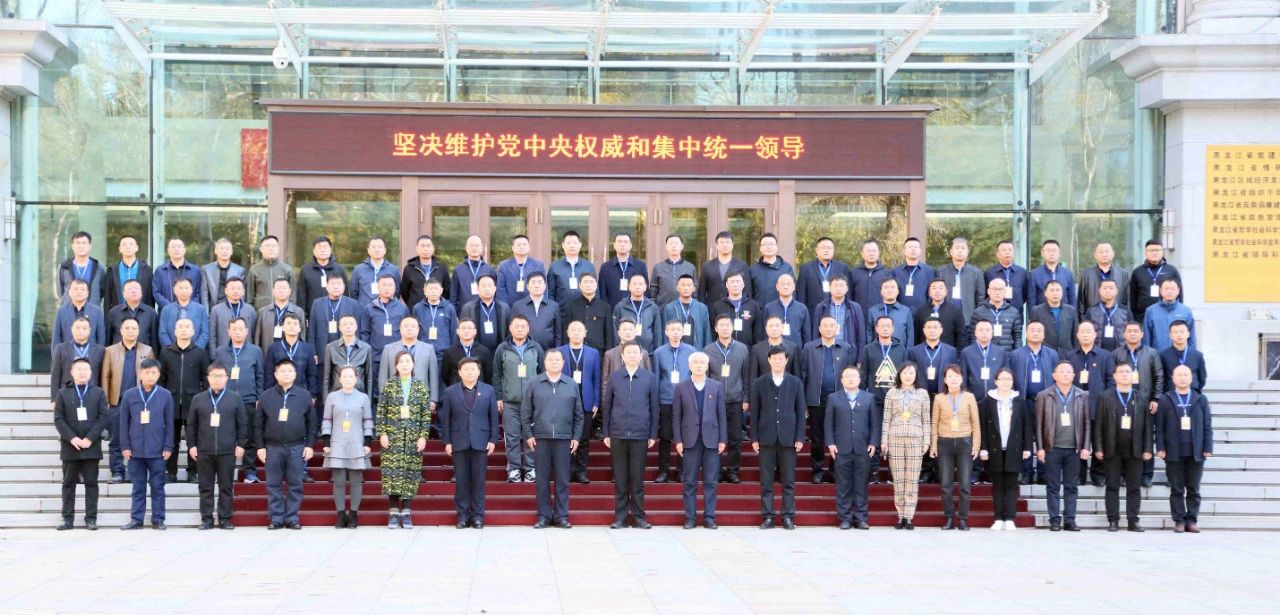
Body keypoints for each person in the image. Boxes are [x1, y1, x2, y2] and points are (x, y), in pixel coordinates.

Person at [521, 349, 585, 529]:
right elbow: (525, 412)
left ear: (563, 363)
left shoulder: (571, 384)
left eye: (558, 360)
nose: (554, 362)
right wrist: (529, 435)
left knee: (562, 480)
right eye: (551, 359)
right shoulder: (534, 383)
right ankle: (543, 516)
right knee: (542, 480)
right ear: (545, 362)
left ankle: (561, 516)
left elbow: (579, 415)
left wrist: (576, 437)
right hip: (541, 438)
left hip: (564, 439)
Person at [602, 341, 659, 529]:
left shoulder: (649, 377)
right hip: (618, 434)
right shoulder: (615, 377)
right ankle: (620, 518)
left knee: (637, 479)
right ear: (622, 356)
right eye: (629, 352)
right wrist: (606, 432)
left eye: (636, 352)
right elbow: (607, 406)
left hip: (640, 434)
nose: (632, 355)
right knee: (620, 479)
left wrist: (652, 434)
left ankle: (639, 517)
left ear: (641, 356)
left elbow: (654, 407)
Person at [439, 357, 500, 529]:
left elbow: (493, 417)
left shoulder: (488, 390)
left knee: (479, 482)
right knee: (461, 482)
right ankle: (462, 516)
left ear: (479, 372)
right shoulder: (450, 392)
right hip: (458, 442)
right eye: (466, 369)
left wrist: (493, 439)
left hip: (481, 441)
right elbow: (445, 418)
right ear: (459, 372)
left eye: (473, 369)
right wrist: (447, 441)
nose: (470, 372)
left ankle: (478, 516)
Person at [750, 347, 807, 529]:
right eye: (774, 358)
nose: (777, 361)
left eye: (781, 358)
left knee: (788, 480)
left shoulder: (795, 383)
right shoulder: (759, 383)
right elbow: (754, 413)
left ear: (786, 360)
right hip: (766, 438)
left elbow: (800, 412)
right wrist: (754, 438)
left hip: (788, 438)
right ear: (769, 360)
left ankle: (788, 516)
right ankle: (768, 516)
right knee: (766, 481)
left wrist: (800, 437)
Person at [255, 360, 316, 530]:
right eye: (283, 371)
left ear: (295, 374)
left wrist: (310, 445)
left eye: (290, 371)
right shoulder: (266, 396)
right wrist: (260, 447)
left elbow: (312, 423)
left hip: (297, 447)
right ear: (276, 374)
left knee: (295, 484)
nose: (286, 374)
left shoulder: (304, 396)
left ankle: (291, 517)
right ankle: (276, 517)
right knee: (273, 485)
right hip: (272, 447)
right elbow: (258, 425)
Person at [186, 363, 248, 530]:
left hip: (227, 450)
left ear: (227, 378)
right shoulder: (198, 399)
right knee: (205, 487)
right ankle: (206, 519)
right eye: (214, 376)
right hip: (204, 450)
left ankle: (225, 519)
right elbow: (191, 425)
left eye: (221, 376)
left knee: (226, 487)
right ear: (208, 378)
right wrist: (191, 445)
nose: (217, 379)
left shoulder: (235, 398)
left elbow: (242, 423)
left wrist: (241, 444)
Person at [1094, 362, 1152, 532]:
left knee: (1134, 487)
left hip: (1135, 449)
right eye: (1121, 372)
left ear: (1133, 375)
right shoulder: (1105, 397)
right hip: (1112, 449)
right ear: (1115, 376)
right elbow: (1098, 424)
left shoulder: (1141, 397)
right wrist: (1098, 447)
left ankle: (1133, 520)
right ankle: (1113, 520)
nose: (1125, 374)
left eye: (1128, 371)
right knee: (1112, 486)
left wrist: (1148, 448)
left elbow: (1148, 426)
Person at [1155, 365, 1213, 533]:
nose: (1182, 378)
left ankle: (1191, 520)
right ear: (1173, 378)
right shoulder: (1166, 399)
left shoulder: (1200, 399)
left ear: (1191, 378)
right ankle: (1179, 520)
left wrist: (1208, 446)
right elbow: (1159, 427)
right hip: (1173, 450)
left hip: (1196, 451)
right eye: (1179, 375)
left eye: (1185, 375)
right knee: (1177, 488)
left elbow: (1207, 425)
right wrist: (1160, 447)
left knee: (1194, 488)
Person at [1107, 321, 1165, 487]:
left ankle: (1146, 474)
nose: (1132, 334)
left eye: (1135, 331)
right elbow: (1111, 377)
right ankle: (1123, 473)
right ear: (1124, 334)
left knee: (1146, 436)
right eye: (1129, 331)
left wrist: (1156, 398)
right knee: (1123, 436)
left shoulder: (1152, 353)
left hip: (1145, 402)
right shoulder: (1117, 353)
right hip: (1122, 401)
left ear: (1142, 334)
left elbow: (1159, 377)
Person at [1035, 360, 1091, 532]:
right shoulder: (1044, 395)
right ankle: (1054, 519)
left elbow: (1087, 423)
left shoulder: (1082, 395)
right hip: (1052, 448)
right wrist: (1040, 447)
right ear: (1054, 375)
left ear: (1074, 375)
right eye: (1062, 371)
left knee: (1071, 486)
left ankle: (1070, 520)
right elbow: (1038, 424)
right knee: (1052, 486)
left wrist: (1085, 446)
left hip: (1074, 449)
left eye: (1069, 371)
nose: (1066, 374)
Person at [53, 359, 109, 530]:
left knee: (91, 483)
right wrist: (73, 438)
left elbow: (103, 417)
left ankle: (91, 518)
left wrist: (89, 439)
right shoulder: (63, 393)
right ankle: (67, 519)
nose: (83, 372)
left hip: (91, 446)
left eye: (86, 369)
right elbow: (58, 419)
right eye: (79, 369)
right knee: (68, 484)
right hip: (70, 446)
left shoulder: (98, 393)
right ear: (72, 372)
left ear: (91, 372)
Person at [118, 359, 173, 530]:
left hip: (157, 451)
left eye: (154, 372)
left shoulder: (165, 395)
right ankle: (136, 519)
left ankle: (158, 519)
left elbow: (169, 423)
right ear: (140, 373)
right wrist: (125, 446)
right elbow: (123, 422)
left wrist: (168, 446)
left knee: (158, 487)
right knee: (138, 487)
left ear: (158, 374)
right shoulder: (129, 395)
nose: (150, 376)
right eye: (147, 372)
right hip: (135, 450)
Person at [377, 351, 430, 529]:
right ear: (396, 365)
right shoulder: (389, 385)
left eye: (408, 361)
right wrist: (382, 433)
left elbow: (425, 414)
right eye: (401, 361)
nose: (405, 364)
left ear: (413, 364)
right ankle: (393, 513)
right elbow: (381, 411)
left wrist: (423, 436)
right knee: (391, 474)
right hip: (392, 437)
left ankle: (406, 512)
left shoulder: (420, 386)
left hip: (413, 437)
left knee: (410, 473)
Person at [673, 351, 726, 529]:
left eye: (702, 362)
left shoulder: (716, 386)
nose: (699, 365)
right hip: (689, 440)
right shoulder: (681, 387)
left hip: (712, 440)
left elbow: (722, 415)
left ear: (707, 366)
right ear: (689, 366)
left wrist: (723, 439)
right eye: (695, 362)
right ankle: (690, 518)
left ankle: (709, 518)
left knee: (711, 481)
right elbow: (676, 417)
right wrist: (678, 440)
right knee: (689, 482)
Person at [800, 316, 856, 484]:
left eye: (832, 325)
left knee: (839, 436)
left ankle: (834, 470)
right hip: (816, 399)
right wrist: (803, 401)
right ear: (819, 328)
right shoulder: (809, 348)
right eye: (825, 325)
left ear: (837, 329)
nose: (829, 328)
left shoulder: (846, 348)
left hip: (840, 400)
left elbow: (851, 373)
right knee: (817, 437)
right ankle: (817, 470)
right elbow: (803, 374)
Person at [211, 317, 265, 483]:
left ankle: (249, 472)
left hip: (248, 399)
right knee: (225, 436)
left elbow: (260, 375)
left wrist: (259, 397)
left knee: (249, 437)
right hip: (225, 400)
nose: (237, 332)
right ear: (228, 331)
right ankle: (222, 472)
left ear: (247, 331)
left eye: (241, 329)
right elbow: (216, 374)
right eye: (234, 329)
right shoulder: (220, 351)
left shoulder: (255, 351)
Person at [827, 365, 881, 530]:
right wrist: (830, 443)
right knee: (843, 485)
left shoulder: (869, 398)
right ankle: (844, 518)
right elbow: (828, 423)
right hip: (841, 448)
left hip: (863, 448)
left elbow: (875, 423)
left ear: (859, 379)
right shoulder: (833, 398)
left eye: (854, 376)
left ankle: (860, 518)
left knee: (861, 485)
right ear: (842, 380)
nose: (850, 379)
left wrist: (873, 442)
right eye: (847, 376)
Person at [101, 317, 154, 483]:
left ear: (139, 331)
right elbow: (105, 376)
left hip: (140, 402)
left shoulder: (147, 350)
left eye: (134, 328)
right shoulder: (110, 351)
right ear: (121, 331)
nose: (131, 331)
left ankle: (134, 472)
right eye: (127, 328)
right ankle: (117, 471)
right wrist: (106, 400)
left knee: (137, 438)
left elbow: (151, 376)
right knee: (116, 439)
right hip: (117, 401)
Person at [322, 366, 374, 529]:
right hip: (337, 442)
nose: (348, 379)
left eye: (351, 376)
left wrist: (367, 442)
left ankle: (353, 514)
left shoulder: (363, 398)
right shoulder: (332, 397)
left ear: (356, 379)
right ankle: (340, 514)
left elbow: (368, 420)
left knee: (356, 481)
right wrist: (326, 441)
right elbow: (327, 420)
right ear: (339, 379)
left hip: (357, 442)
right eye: (344, 376)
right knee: (338, 481)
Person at [978, 368, 1031, 531]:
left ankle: (1010, 518)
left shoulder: (1019, 401)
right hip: (994, 448)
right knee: (998, 485)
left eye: (1009, 379)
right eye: (1002, 379)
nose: (1006, 382)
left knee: (1012, 484)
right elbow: (982, 426)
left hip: (1014, 448)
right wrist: (983, 448)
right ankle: (998, 518)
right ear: (996, 381)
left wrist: (1028, 447)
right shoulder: (987, 401)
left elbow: (1027, 426)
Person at [858, 318, 908, 486]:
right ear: (876, 329)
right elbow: (864, 374)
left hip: (896, 401)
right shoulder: (868, 349)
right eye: (882, 326)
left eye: (888, 326)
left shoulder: (901, 349)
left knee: (895, 438)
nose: (885, 329)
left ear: (893, 328)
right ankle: (874, 471)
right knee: (874, 437)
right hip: (875, 401)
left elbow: (906, 374)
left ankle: (894, 472)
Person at [158, 318, 209, 482]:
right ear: (175, 331)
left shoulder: (200, 353)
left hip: (193, 402)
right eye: (180, 327)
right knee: (171, 439)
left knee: (193, 439)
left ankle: (193, 471)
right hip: (171, 402)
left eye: (187, 327)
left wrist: (204, 400)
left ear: (193, 331)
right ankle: (171, 472)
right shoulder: (166, 352)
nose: (184, 329)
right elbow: (161, 379)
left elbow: (205, 378)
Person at [494, 315, 544, 482]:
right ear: (510, 328)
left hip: (532, 402)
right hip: (510, 401)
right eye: (517, 326)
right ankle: (514, 468)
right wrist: (499, 397)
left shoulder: (536, 348)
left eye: (523, 326)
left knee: (531, 436)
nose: (520, 329)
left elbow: (542, 373)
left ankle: (530, 468)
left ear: (528, 329)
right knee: (512, 436)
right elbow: (497, 375)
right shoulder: (502, 349)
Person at [880, 362, 929, 529]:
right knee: (898, 478)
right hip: (895, 438)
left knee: (912, 478)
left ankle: (909, 516)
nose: (908, 376)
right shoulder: (891, 393)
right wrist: (884, 441)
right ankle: (900, 516)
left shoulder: (922, 394)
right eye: (905, 373)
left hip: (916, 438)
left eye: (911, 373)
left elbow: (926, 419)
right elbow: (886, 419)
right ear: (899, 375)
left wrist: (927, 441)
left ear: (916, 375)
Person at [931, 365, 980, 530]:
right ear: (945, 380)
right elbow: (934, 423)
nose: (953, 379)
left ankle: (963, 519)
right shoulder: (939, 398)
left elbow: (975, 422)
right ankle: (949, 518)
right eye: (950, 376)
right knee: (946, 484)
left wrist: (976, 444)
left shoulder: (969, 397)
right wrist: (933, 444)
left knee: (965, 484)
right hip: (944, 442)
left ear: (961, 379)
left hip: (964, 442)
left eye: (957, 376)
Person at [1010, 321, 1059, 486]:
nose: (1036, 333)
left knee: (1046, 436)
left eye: (1039, 330)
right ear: (1026, 334)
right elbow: (1010, 379)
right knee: (1025, 437)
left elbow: (1057, 378)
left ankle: (1044, 472)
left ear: (1044, 335)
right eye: (1032, 330)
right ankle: (1027, 472)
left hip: (1046, 401)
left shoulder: (1052, 354)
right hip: (1024, 401)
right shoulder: (1016, 355)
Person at [704, 315, 750, 484]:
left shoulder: (742, 349)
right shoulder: (708, 350)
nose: (724, 328)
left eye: (727, 325)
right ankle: (715, 471)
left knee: (735, 438)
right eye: (721, 325)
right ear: (716, 328)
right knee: (713, 438)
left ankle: (732, 471)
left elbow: (746, 376)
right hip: (714, 402)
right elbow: (705, 377)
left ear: (732, 328)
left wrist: (746, 398)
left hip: (735, 400)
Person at [653, 320, 696, 482]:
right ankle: (663, 471)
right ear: (666, 332)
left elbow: (695, 376)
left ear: (683, 331)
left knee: (685, 436)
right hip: (666, 399)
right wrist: (656, 401)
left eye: (678, 329)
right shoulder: (659, 352)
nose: (676, 332)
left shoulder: (691, 351)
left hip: (686, 400)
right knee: (665, 436)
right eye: (672, 329)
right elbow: (656, 378)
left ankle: (682, 471)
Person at [1067, 321, 1108, 486]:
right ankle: (1079, 475)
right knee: (1078, 441)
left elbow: (1110, 380)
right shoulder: (1070, 356)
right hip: (1076, 406)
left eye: (1088, 331)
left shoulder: (1105, 356)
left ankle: (1098, 475)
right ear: (1077, 335)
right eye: (1082, 331)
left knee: (1099, 440)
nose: (1085, 334)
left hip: (1098, 405)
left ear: (1095, 335)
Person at [560, 321, 602, 484]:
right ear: (567, 333)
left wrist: (596, 401)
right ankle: (568, 470)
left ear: (585, 333)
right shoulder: (560, 351)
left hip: (586, 400)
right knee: (566, 437)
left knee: (583, 439)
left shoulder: (593, 353)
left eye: (579, 330)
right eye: (573, 330)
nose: (576, 333)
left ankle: (581, 471)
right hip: (565, 401)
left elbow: (596, 379)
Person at [375, 317, 440, 407]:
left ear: (418, 329)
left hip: (421, 397)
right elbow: (383, 376)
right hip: (394, 398)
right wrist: (384, 398)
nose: (409, 328)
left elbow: (433, 376)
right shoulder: (388, 349)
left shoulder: (428, 349)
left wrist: (433, 399)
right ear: (400, 329)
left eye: (413, 326)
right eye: (406, 326)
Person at [265, 314, 320, 406]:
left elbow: (312, 374)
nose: (292, 326)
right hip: (278, 394)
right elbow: (269, 374)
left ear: (299, 328)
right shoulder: (273, 348)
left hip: (302, 394)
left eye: (295, 324)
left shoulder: (307, 349)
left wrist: (312, 395)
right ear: (283, 327)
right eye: (289, 323)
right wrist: (268, 393)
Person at [363, 274, 410, 377]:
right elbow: (365, 332)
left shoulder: (402, 308)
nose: (387, 288)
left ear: (395, 287)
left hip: (397, 356)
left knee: (396, 384)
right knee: (377, 384)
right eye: (383, 285)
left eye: (390, 285)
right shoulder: (369, 308)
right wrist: (368, 352)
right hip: (376, 356)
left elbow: (407, 332)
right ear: (378, 287)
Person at [959, 320, 1010, 413]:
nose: (984, 333)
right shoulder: (967, 352)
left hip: (997, 399)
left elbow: (1006, 376)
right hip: (974, 400)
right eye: (981, 330)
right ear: (975, 333)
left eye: (987, 330)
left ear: (992, 332)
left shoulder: (1000, 352)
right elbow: (963, 378)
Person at [50, 317, 105, 399]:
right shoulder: (61, 349)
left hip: (93, 396)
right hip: (67, 395)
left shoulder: (100, 350)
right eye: (78, 328)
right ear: (72, 329)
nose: (81, 331)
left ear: (90, 330)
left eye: (84, 328)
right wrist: (54, 399)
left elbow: (102, 376)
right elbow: (55, 375)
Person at [322, 314, 376, 396]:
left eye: (351, 324)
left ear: (356, 327)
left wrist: (368, 400)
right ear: (339, 328)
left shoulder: (366, 348)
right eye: (345, 324)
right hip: (337, 393)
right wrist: (327, 400)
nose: (348, 327)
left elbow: (369, 378)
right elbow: (326, 378)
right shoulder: (331, 348)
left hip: (359, 394)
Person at [1129, 239, 1182, 322]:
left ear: (1163, 252)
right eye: (1151, 250)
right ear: (1145, 253)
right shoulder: (1138, 272)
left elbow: (1179, 295)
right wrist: (1134, 319)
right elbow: (1132, 298)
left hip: (1167, 317)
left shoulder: (1171, 270)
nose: (1154, 253)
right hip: (1143, 318)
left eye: (1157, 250)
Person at [309, 274, 364, 351]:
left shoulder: (353, 304)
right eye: (332, 284)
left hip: (346, 350)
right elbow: (312, 331)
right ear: (326, 286)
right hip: (322, 349)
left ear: (344, 286)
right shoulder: (317, 304)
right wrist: (313, 352)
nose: (336, 287)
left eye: (339, 283)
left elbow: (357, 331)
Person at [559, 272, 613, 350]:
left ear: (596, 285)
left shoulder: (605, 307)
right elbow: (565, 332)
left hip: (598, 351)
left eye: (591, 282)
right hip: (576, 350)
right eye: (585, 282)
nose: (588, 285)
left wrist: (607, 353)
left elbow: (609, 335)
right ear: (580, 286)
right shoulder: (571, 306)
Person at [937, 237, 986, 322]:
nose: (960, 251)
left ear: (968, 252)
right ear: (951, 252)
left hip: (968, 318)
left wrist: (977, 316)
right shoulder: (942, 271)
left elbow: (980, 297)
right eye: (957, 248)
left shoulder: (976, 273)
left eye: (963, 248)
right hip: (945, 317)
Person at [103, 234, 154, 314]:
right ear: (120, 249)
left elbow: (150, 298)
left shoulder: (146, 270)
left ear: (137, 248)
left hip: (141, 315)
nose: (128, 247)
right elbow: (107, 299)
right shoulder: (112, 270)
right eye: (124, 245)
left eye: (131, 244)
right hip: (118, 315)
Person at [812, 276, 865, 351]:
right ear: (830, 288)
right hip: (826, 349)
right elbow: (815, 333)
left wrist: (860, 356)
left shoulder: (855, 307)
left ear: (847, 288)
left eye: (841, 286)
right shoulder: (821, 307)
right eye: (835, 286)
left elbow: (861, 334)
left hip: (848, 349)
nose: (838, 289)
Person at [1077, 242, 1130, 317]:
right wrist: (1084, 321)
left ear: (1113, 254)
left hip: (1117, 319)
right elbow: (1081, 302)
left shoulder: (1122, 274)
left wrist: (1125, 319)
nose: (1104, 254)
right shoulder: (1086, 274)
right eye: (1101, 252)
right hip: (1093, 319)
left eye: (1107, 251)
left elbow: (1127, 300)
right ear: (1095, 255)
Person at [698, 231, 750, 307]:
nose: (725, 245)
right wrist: (703, 309)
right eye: (722, 242)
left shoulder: (742, 265)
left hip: (735, 308)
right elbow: (701, 292)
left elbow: (747, 290)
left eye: (727, 242)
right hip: (712, 308)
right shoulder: (707, 266)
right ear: (717, 245)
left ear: (732, 245)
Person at [710, 271, 763, 347]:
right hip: (723, 350)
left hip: (747, 350)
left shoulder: (753, 305)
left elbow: (758, 333)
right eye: (732, 282)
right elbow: (713, 331)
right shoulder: (718, 306)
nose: (735, 284)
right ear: (727, 285)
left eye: (738, 281)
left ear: (743, 284)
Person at [797, 236, 851, 310]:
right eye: (823, 247)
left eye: (829, 248)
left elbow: (848, 293)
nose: (826, 250)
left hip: (836, 311)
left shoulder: (842, 267)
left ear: (833, 250)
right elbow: (801, 295)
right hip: (813, 311)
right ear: (816, 250)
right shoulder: (805, 268)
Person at [511, 271, 561, 350]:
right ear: (527, 286)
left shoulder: (554, 306)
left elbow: (558, 333)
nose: (537, 285)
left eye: (540, 282)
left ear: (545, 286)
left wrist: (557, 351)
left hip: (548, 352)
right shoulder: (518, 306)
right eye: (533, 282)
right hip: (525, 352)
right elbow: (512, 331)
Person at [1029, 280, 1079, 358]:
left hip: (1067, 355)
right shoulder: (1036, 311)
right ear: (1045, 293)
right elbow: (1032, 335)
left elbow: (1075, 336)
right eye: (1052, 290)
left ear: (1062, 293)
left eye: (1058, 290)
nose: (1055, 293)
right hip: (1044, 355)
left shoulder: (1071, 310)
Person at [459, 273, 509, 352]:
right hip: (475, 352)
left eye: (490, 286)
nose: (487, 289)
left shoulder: (504, 308)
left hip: (499, 351)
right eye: (484, 286)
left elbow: (508, 332)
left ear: (495, 288)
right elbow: (462, 332)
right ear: (477, 289)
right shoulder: (468, 308)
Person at [913, 278, 967, 350]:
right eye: (934, 288)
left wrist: (959, 353)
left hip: (948, 353)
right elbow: (916, 335)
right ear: (929, 293)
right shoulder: (921, 311)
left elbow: (961, 335)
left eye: (941, 288)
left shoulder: (955, 311)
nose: (937, 291)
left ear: (946, 292)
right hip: (925, 351)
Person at [970, 277, 1020, 352]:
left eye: (1000, 289)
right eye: (994, 289)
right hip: (985, 354)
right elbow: (973, 336)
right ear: (988, 291)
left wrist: (1016, 355)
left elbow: (1017, 337)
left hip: (1007, 354)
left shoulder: (1014, 312)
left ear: (1005, 291)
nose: (997, 292)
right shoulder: (978, 312)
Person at [158, 278, 210, 350]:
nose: (184, 291)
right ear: (174, 290)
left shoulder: (200, 309)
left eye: (186, 288)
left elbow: (204, 333)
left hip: (195, 352)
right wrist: (171, 350)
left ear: (191, 290)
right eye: (180, 288)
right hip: (172, 352)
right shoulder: (166, 310)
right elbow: (163, 333)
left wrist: (196, 350)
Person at [52, 279, 106, 348]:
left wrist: (99, 353)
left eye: (82, 289)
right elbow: (56, 337)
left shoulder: (96, 311)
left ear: (87, 293)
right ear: (69, 292)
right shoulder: (61, 311)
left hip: (91, 353)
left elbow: (101, 337)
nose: (79, 291)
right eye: (76, 289)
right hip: (67, 353)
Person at [1144, 279, 1196, 351]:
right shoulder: (1151, 311)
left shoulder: (1186, 311)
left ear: (1178, 291)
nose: (1169, 291)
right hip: (1157, 355)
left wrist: (1192, 354)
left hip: (1180, 355)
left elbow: (1192, 337)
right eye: (1166, 289)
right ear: (1161, 291)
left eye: (1172, 289)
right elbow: (1146, 338)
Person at [300, 235, 349, 313]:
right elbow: (302, 296)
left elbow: (345, 294)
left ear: (330, 249)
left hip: (337, 313)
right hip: (313, 314)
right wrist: (303, 315)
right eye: (319, 247)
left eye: (325, 247)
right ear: (314, 251)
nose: (323, 250)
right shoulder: (306, 270)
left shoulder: (339, 269)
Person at [256, 278, 306, 352]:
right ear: (273, 291)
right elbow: (257, 338)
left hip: (291, 354)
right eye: (278, 288)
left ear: (289, 291)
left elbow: (302, 337)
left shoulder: (298, 312)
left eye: (284, 288)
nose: (281, 291)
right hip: (268, 352)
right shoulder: (263, 312)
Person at [661, 274, 711, 349]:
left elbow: (707, 333)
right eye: (683, 285)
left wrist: (707, 351)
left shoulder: (702, 308)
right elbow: (665, 333)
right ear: (677, 288)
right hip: (676, 350)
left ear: (694, 288)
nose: (686, 288)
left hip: (696, 350)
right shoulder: (669, 308)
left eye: (689, 285)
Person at [614, 274, 661, 352]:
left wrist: (657, 351)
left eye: (640, 284)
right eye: (634, 284)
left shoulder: (652, 307)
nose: (637, 287)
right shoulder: (621, 306)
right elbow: (615, 330)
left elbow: (657, 332)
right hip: (626, 352)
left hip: (648, 352)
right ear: (629, 286)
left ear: (645, 287)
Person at [600, 232, 648, 308]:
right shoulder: (606, 267)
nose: (622, 244)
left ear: (630, 246)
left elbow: (646, 291)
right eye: (619, 242)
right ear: (614, 245)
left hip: (635, 309)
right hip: (612, 309)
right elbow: (602, 293)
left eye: (625, 242)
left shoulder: (640, 266)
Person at [413, 278, 458, 360]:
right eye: (430, 289)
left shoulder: (449, 308)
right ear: (425, 290)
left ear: (441, 290)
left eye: (436, 289)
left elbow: (453, 332)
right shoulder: (418, 308)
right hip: (423, 353)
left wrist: (452, 352)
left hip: (444, 353)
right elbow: (415, 331)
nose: (433, 292)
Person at [106, 279, 158, 347]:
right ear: (123, 294)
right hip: (119, 352)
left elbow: (154, 340)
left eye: (136, 288)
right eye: (130, 289)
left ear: (141, 293)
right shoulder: (114, 312)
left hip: (144, 352)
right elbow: (108, 338)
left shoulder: (151, 313)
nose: (134, 291)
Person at [245, 235, 293, 310]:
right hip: (260, 312)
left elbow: (293, 297)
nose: (271, 249)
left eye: (273, 246)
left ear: (278, 248)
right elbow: (249, 297)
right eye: (267, 246)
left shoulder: (287, 269)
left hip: (283, 312)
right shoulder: (254, 269)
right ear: (261, 249)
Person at [496, 234, 546, 305]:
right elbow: (500, 290)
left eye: (524, 244)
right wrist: (504, 308)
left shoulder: (539, 265)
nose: (521, 247)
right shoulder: (503, 266)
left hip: (533, 306)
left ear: (529, 247)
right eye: (518, 245)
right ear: (513, 248)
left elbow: (544, 288)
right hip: (510, 307)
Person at [441, 319, 493, 387]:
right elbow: (445, 376)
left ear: (475, 331)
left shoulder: (484, 351)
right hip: (457, 390)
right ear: (457, 331)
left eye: (470, 328)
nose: (466, 331)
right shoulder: (449, 352)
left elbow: (488, 375)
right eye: (463, 328)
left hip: (479, 390)